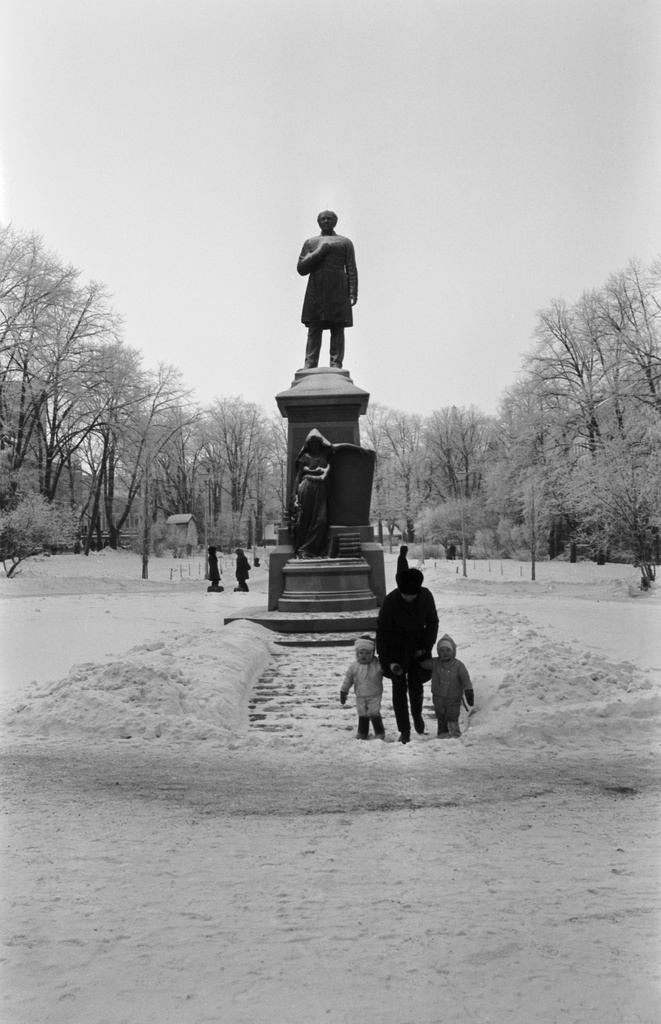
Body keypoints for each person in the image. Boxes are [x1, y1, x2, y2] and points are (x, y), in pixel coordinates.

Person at [376, 568, 439, 744]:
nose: (408, 598)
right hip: (396, 648)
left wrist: (426, 647)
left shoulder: (426, 596)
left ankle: (417, 714)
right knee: (398, 688)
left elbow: (432, 622)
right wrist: (384, 658)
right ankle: (404, 729)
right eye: (405, 594)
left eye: (412, 595)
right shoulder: (391, 600)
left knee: (416, 684)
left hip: (418, 646)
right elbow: (382, 630)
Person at [289, 429, 371, 558]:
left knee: (321, 520)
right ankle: (304, 550)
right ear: (308, 445)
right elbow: (298, 477)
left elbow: (341, 447)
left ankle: (311, 549)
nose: (314, 446)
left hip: (321, 488)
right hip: (306, 488)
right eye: (312, 444)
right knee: (306, 520)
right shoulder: (304, 458)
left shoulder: (325, 453)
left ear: (320, 444)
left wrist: (358, 449)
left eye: (317, 444)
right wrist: (294, 496)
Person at [297, 210, 357, 370]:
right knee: (314, 327)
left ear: (335, 221)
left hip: (338, 288)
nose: (326, 221)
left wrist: (353, 291)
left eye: (329, 219)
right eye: (323, 219)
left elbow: (351, 268)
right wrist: (319, 251)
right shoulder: (311, 242)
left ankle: (336, 364)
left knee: (337, 326)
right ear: (318, 222)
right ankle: (309, 364)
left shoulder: (345, 242)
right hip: (316, 288)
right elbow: (301, 268)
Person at [417, 634, 474, 738]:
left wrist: (469, 691)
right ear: (438, 652)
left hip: (454, 698)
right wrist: (420, 657)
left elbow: (465, 679)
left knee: (453, 716)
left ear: (453, 651)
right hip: (438, 697)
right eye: (442, 650)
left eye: (448, 650)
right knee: (440, 715)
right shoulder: (435, 662)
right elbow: (425, 664)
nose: (445, 653)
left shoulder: (458, 665)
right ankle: (442, 733)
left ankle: (454, 734)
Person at [340, 635, 385, 740]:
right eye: (361, 653)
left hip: (374, 694)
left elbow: (385, 670)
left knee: (374, 712)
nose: (364, 656)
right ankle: (362, 732)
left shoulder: (376, 664)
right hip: (360, 695)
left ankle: (379, 732)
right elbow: (348, 679)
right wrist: (344, 691)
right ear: (357, 653)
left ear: (372, 653)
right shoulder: (354, 666)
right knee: (362, 712)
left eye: (367, 653)